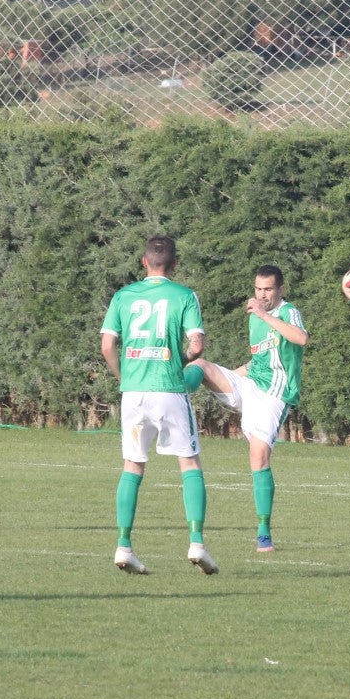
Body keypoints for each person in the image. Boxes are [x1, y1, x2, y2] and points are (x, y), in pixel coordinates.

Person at [100, 235, 216, 575]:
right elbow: (196, 344)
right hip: (168, 389)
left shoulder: (123, 296)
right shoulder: (184, 296)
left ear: (143, 261)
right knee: (189, 462)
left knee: (132, 465)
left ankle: (124, 546)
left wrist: (123, 376)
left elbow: (108, 345)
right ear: (175, 264)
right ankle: (196, 542)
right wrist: (180, 359)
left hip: (134, 393)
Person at [185, 265, 308, 552]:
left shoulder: (287, 312)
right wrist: (229, 376)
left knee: (258, 455)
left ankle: (264, 532)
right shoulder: (256, 320)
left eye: (268, 289)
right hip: (251, 385)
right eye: (258, 289)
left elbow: (301, 339)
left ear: (280, 290)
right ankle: (176, 392)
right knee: (199, 366)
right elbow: (257, 363)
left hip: (275, 392)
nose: (262, 295)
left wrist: (265, 314)